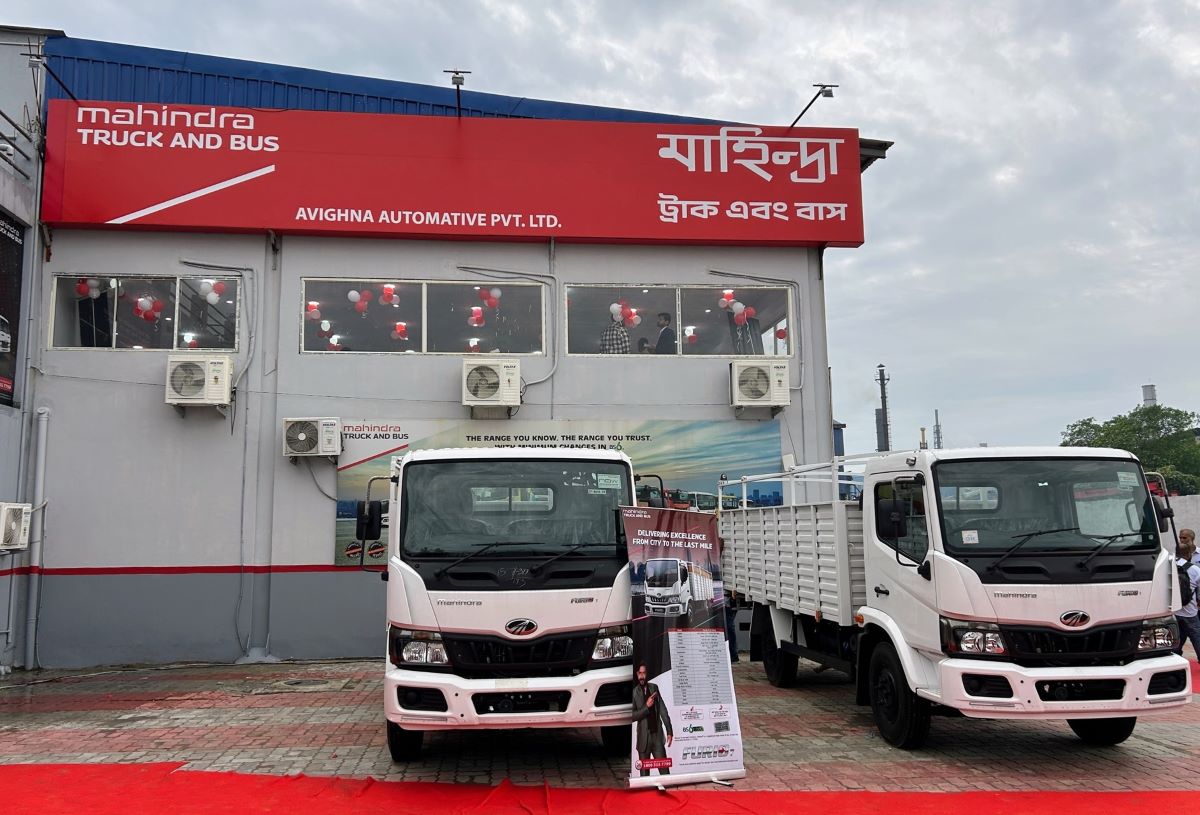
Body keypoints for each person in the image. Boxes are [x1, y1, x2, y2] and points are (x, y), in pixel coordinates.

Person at [631, 663, 673, 776]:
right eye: (639, 673)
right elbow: (632, 716)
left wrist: (669, 730)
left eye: (644, 673)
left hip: (657, 737)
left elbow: (663, 710)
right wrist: (646, 707)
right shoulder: (634, 693)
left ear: (647, 674)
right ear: (636, 674)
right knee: (644, 776)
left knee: (665, 773)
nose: (641, 676)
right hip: (643, 740)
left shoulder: (654, 688)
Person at [1175, 537, 1200, 660]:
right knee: (1197, 636)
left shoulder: (1167, 566)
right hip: (1190, 611)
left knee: (1176, 636)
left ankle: (1173, 657)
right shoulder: (1195, 569)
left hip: (1172, 610)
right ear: (1189, 554)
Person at [724, 590, 739, 662]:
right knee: (728, 630)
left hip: (728, 605)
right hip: (719, 604)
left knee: (730, 630)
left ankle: (733, 655)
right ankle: (731, 655)